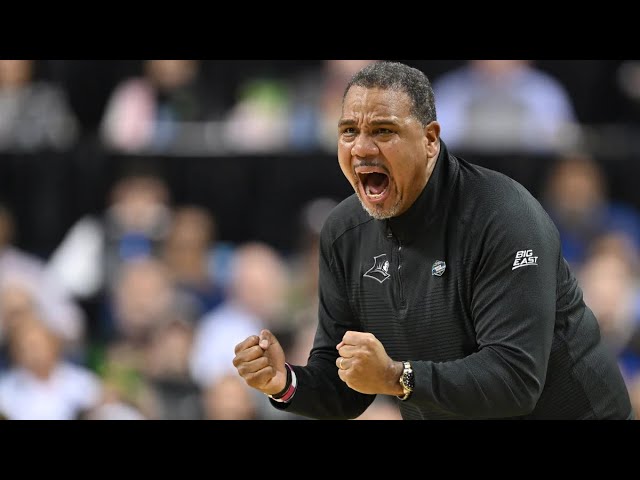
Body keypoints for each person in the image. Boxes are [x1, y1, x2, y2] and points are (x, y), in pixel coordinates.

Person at [232, 61, 633, 420]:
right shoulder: (343, 233)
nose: (361, 148)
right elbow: (346, 389)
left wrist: (395, 376)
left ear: (429, 139)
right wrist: (283, 382)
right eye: (349, 131)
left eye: (383, 131)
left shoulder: (503, 216)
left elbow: (514, 380)